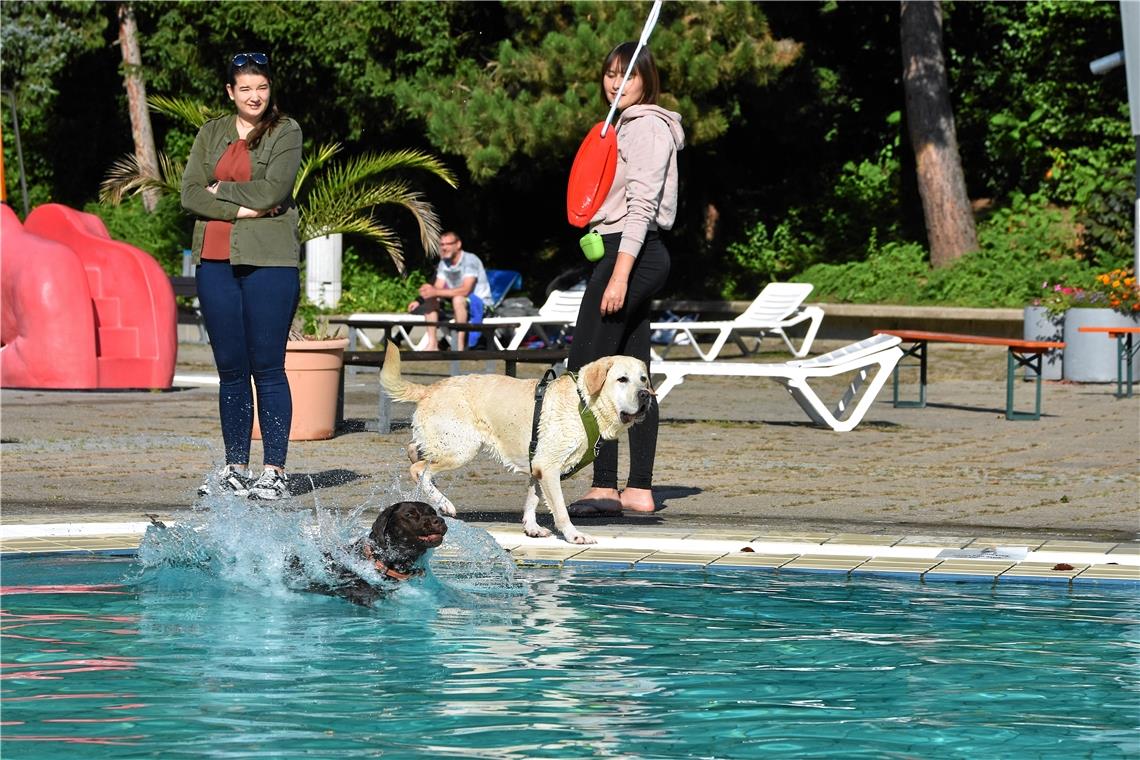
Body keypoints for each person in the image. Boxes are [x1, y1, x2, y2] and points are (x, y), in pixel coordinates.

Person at [566, 42, 685, 516]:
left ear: (647, 81)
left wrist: (619, 276)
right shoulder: (621, 126)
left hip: (632, 254)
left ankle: (605, 486)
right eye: (611, 74)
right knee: (633, 371)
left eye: (629, 75)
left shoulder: (647, 127)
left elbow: (641, 210)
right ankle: (634, 489)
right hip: (620, 252)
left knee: (590, 367)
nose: (617, 83)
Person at [181, 51, 303, 501]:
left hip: (270, 261)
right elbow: (190, 194)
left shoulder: (286, 131)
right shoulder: (210, 131)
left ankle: (274, 471)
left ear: (270, 90)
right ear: (231, 92)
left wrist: (221, 193)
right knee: (230, 370)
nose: (255, 96)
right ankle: (235, 468)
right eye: (245, 88)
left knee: (267, 368)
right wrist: (244, 206)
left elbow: (275, 189)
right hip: (214, 262)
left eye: (262, 87)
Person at [406, 231, 493, 350]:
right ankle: (432, 344)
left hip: (481, 305)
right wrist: (421, 299)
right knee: (432, 300)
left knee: (458, 299)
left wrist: (435, 292)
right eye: (441, 244)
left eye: (448, 244)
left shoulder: (470, 260)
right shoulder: (444, 263)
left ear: (458, 244)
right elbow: (437, 288)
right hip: (459, 304)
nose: (444, 248)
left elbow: (466, 290)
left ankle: (459, 346)